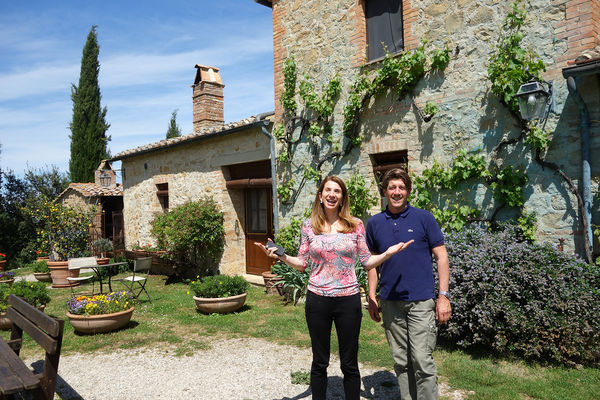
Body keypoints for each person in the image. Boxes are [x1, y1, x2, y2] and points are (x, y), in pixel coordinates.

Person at [256, 175, 413, 400]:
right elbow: (302, 264)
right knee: (319, 361)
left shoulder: (355, 225)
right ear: (320, 196)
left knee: (349, 362)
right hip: (318, 300)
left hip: (347, 300)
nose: (332, 195)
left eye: (337, 191)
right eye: (328, 190)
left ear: (342, 198)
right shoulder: (309, 226)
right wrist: (280, 255)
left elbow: (367, 261)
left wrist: (388, 253)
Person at [366, 168, 451, 400]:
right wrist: (372, 296)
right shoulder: (374, 223)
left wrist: (443, 296)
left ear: (408, 191)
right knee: (401, 361)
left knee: (422, 360)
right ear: (384, 192)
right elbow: (372, 263)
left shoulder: (424, 218)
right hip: (391, 302)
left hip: (421, 301)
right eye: (392, 187)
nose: (396, 192)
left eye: (401, 187)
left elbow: (441, 256)